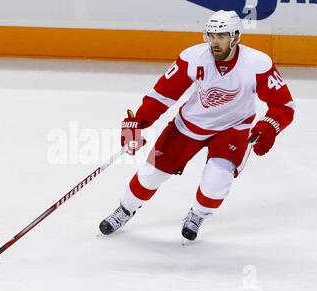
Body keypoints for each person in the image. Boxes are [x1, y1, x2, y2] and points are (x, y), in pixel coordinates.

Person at [99, 10, 295, 241]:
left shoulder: (257, 64)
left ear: (236, 37)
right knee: (151, 174)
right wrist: (138, 121)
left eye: (221, 36)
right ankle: (124, 209)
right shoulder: (193, 57)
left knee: (217, 181)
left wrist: (271, 124)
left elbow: (283, 104)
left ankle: (197, 214)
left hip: (233, 128)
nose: (215, 42)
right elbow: (163, 94)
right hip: (189, 124)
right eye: (211, 36)